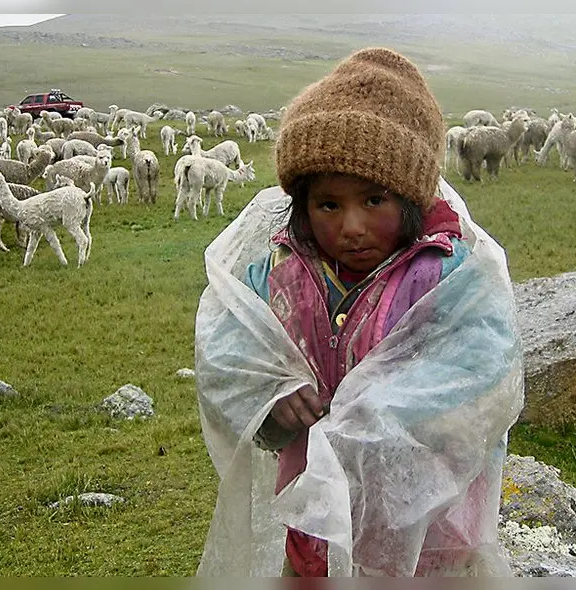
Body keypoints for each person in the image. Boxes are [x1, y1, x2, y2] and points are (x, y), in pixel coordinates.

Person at [195, 47, 524, 577]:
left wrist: (387, 410)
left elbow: (484, 356)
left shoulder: (443, 274)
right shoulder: (282, 274)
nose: (351, 226)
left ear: (411, 198)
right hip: (315, 517)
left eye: (374, 201)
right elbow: (230, 345)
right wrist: (270, 395)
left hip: (423, 526)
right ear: (302, 206)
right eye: (329, 205)